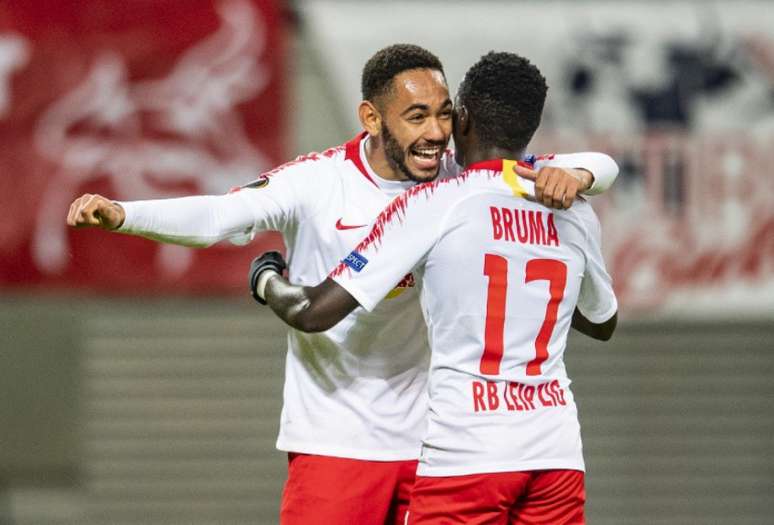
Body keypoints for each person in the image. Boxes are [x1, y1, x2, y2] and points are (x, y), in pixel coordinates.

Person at [67, 44, 619, 525]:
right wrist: (125, 213)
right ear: (372, 118)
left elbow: (582, 163)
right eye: (417, 116)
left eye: (445, 115)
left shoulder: (456, 181)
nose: (435, 134)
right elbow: (220, 215)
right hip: (336, 440)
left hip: (432, 443)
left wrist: (582, 175)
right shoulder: (318, 182)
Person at [249, 51, 617, 524]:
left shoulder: (435, 203)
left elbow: (313, 312)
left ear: (461, 119)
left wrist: (266, 277)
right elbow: (602, 322)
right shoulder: (573, 206)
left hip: (469, 453)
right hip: (556, 453)